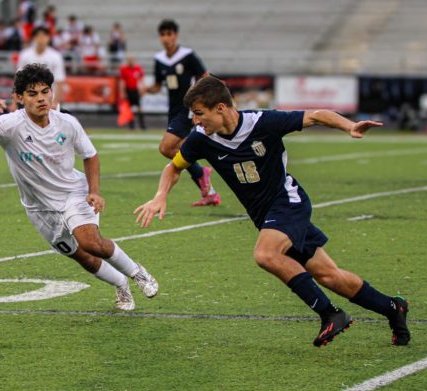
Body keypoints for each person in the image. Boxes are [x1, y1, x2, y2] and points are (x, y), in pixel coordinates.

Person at [134, 76, 410, 347]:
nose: (194, 121)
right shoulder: (201, 139)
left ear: (220, 108)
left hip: (288, 202)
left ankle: (330, 314)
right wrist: (160, 196)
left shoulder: (263, 122)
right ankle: (392, 307)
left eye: (198, 113)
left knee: (265, 254)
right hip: (266, 217)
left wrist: (350, 126)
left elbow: (316, 115)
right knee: (328, 275)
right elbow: (173, 166)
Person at [0, 64, 158, 311]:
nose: (41, 98)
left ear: (52, 93)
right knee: (81, 256)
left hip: (73, 193)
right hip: (39, 209)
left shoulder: (67, 123)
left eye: (45, 91)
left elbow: (90, 155)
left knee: (91, 243)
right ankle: (121, 285)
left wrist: (94, 191)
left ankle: (138, 273)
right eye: (32, 93)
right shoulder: (8, 125)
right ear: (19, 98)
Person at [144, 19, 220, 207]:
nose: (166, 38)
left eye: (169, 34)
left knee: (166, 148)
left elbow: (205, 77)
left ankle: (200, 172)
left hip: (187, 108)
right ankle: (208, 189)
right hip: (173, 110)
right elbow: (156, 85)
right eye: (163, 34)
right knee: (180, 150)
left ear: (176, 35)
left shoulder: (187, 56)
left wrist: (203, 100)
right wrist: (146, 90)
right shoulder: (160, 60)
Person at [17, 26, 66, 109]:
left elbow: (60, 81)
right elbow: (18, 79)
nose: (41, 38)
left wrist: (55, 102)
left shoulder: (56, 56)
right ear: (33, 38)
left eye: (44, 36)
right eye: (38, 36)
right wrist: (15, 101)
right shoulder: (25, 55)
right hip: (29, 99)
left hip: (49, 98)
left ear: (49, 38)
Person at [119, 54, 146, 130]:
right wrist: (122, 92)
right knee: (129, 109)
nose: (130, 61)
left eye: (131, 59)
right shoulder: (124, 69)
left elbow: (141, 80)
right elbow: (122, 82)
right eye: (129, 60)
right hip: (128, 90)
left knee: (139, 108)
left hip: (136, 90)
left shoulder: (137, 68)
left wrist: (143, 89)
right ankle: (131, 126)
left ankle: (142, 125)